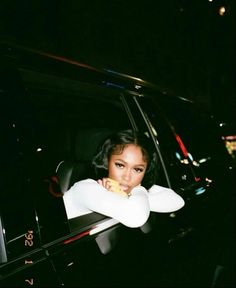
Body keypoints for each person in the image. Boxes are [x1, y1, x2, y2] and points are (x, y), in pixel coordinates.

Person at [63, 129, 185, 228]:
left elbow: (177, 201)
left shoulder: (126, 189)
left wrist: (130, 193)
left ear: (146, 171)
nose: (127, 177)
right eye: (120, 165)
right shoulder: (85, 188)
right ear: (107, 162)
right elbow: (136, 217)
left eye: (137, 169)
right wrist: (137, 190)